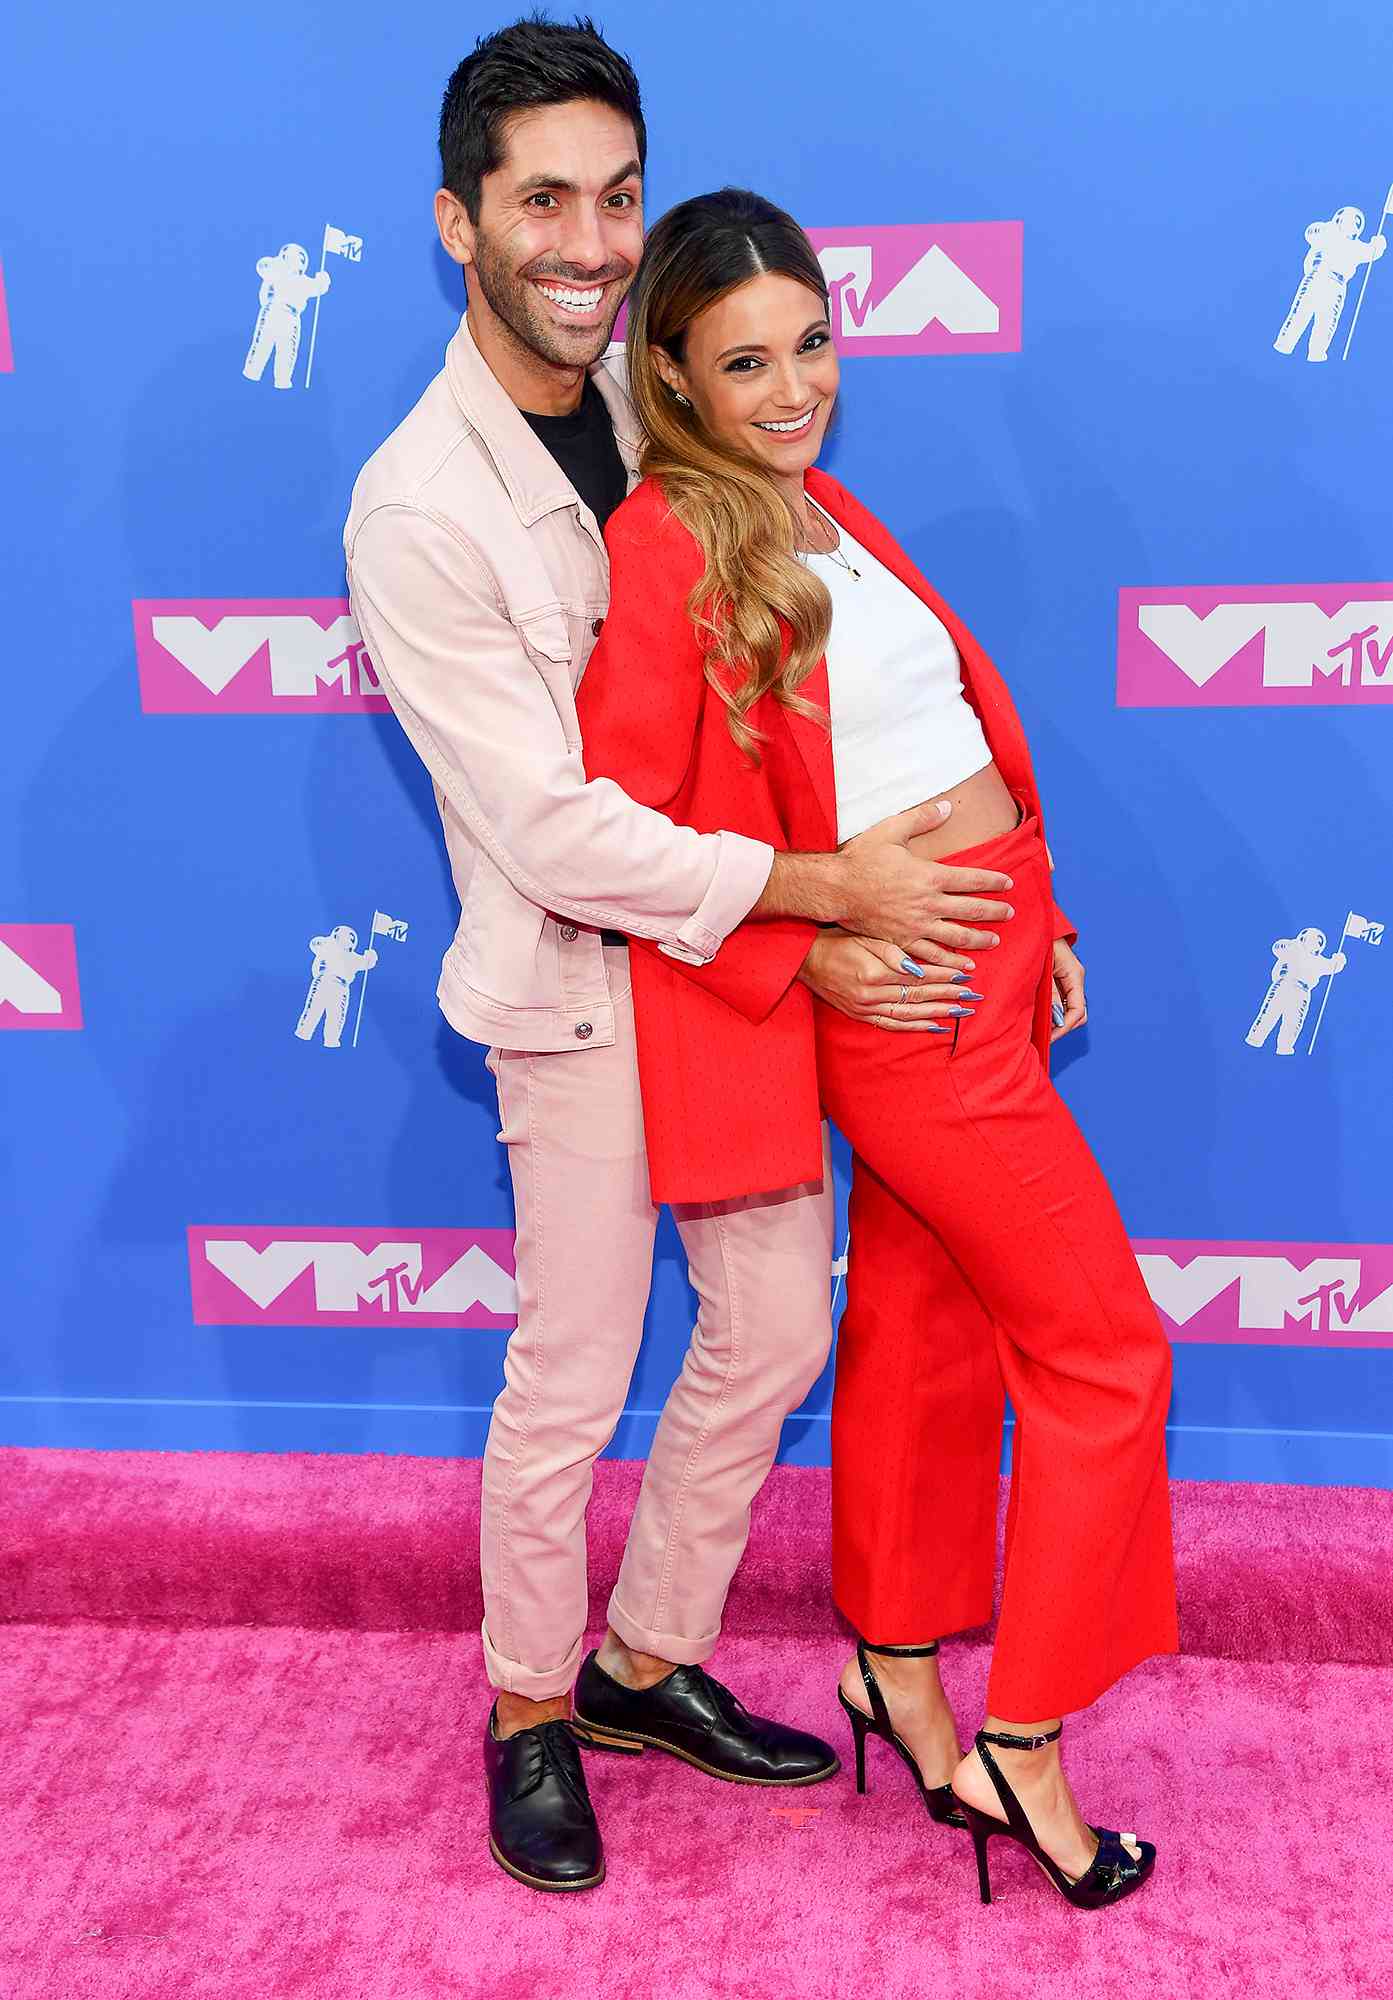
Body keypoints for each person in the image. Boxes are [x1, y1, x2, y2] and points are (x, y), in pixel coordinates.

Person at [344, 23, 1014, 1895]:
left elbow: (790, 669)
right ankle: (526, 1708)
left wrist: (935, 890)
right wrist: (823, 891)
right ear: (457, 224)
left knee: (771, 1328)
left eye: (616, 195)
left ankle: (646, 1659)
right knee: (571, 1367)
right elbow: (554, 826)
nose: (589, 236)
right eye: (541, 199)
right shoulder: (417, 505)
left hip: (732, 979)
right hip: (582, 983)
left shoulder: (667, 400)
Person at [577, 188, 1180, 1913]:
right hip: (905, 1011)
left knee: (920, 1333)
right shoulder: (666, 543)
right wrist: (808, 943)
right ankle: (1028, 1739)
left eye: (811, 345)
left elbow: (924, 731)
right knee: (1103, 1357)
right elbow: (622, 822)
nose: (790, 387)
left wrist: (1035, 909)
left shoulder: (812, 502)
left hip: (983, 963)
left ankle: (894, 1664)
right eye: (742, 362)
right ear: (671, 378)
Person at [1273, 205, 1385, 363]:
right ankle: (1284, 344)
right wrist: (1326, 228)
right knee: (1300, 313)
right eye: (1350, 219)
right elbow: (1310, 233)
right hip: (1317, 276)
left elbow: (1371, 252)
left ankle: (1316, 354)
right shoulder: (1327, 232)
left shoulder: (1356, 247)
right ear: (1340, 218)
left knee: (1326, 322)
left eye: (1357, 222)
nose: (1353, 224)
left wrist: (1378, 244)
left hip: (1337, 285)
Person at [1245, 926, 1346, 1054]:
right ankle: (1255, 1038)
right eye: (1314, 939)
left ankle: (1284, 1047)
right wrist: (1291, 945)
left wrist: (1339, 960)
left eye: (1320, 942)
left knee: (1293, 1022)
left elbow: (1332, 967)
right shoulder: (1293, 948)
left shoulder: (1319, 961)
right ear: (1304, 938)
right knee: (1269, 1013)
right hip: (1284, 984)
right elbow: (1277, 947)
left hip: (1302, 992)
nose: (1317, 943)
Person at [243, 244, 329, 390]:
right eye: (294, 257)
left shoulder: (303, 281)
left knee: (287, 350)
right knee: (262, 344)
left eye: (301, 259)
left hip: (291, 317)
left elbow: (318, 287)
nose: (297, 261)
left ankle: (282, 381)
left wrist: (323, 279)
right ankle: (252, 372)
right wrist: (277, 264)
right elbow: (262, 266)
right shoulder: (276, 271)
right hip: (272, 310)